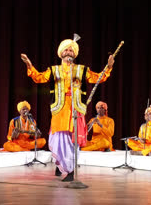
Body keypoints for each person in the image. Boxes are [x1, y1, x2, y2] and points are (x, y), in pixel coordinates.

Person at [21, 37, 115, 181]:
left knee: (71, 141)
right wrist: (29, 65)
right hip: (59, 110)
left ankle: (70, 171)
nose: (69, 52)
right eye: (66, 49)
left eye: (71, 49)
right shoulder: (54, 70)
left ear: (74, 53)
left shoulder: (81, 69)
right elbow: (39, 78)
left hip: (75, 109)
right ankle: (61, 165)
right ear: (61, 53)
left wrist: (108, 67)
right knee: (55, 141)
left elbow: (98, 78)